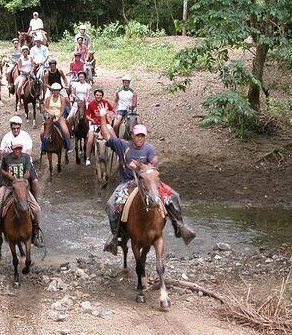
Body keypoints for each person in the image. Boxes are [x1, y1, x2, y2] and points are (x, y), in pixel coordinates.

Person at [96, 105, 196, 254]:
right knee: (111, 205)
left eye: (142, 136)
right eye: (137, 135)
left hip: (149, 181)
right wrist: (103, 117)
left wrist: (141, 166)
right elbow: (106, 135)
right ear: (132, 135)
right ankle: (115, 235)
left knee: (174, 196)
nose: (140, 139)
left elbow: (153, 163)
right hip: (128, 184)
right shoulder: (123, 145)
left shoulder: (149, 148)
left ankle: (179, 226)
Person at [0, 142, 44, 249]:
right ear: (12, 149)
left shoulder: (26, 157)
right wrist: (8, 176)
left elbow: (27, 172)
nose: (17, 150)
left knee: (36, 210)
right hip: (8, 186)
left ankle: (36, 234)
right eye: (15, 149)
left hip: (21, 186)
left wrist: (20, 179)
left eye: (19, 148)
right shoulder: (6, 158)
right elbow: (2, 170)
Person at [0, 116, 40, 199]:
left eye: (18, 128)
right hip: (9, 163)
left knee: (35, 182)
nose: (16, 130)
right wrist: (4, 152)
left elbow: (29, 152)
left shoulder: (26, 136)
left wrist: (19, 153)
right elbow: (1, 152)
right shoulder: (6, 137)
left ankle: (35, 200)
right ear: (11, 128)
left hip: (24, 163)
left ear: (20, 127)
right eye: (14, 128)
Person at [84, 88, 115, 166]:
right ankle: (87, 158)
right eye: (97, 95)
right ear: (95, 95)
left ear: (102, 96)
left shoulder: (105, 103)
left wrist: (115, 114)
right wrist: (91, 119)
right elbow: (87, 115)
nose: (98, 96)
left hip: (105, 123)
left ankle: (118, 153)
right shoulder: (91, 104)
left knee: (114, 137)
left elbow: (112, 109)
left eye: (100, 95)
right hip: (95, 124)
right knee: (90, 140)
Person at [41, 83, 72, 151]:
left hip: (59, 116)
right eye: (54, 90)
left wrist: (58, 117)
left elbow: (62, 110)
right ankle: (43, 146)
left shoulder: (62, 99)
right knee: (42, 132)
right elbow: (45, 107)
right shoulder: (49, 98)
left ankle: (68, 145)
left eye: (57, 90)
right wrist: (50, 113)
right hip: (49, 117)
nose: (55, 92)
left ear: (59, 91)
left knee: (66, 131)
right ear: (52, 90)